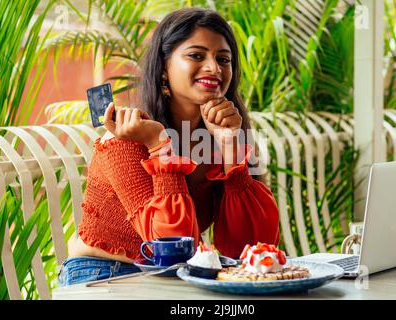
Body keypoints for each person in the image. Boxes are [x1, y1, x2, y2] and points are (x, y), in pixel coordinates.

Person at [58, 7, 280, 286]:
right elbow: (170, 248)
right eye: (196, 55)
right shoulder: (127, 138)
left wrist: (230, 148)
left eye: (223, 59)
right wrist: (157, 144)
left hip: (177, 279)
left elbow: (249, 246)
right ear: (164, 67)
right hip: (104, 274)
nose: (214, 68)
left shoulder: (226, 134)